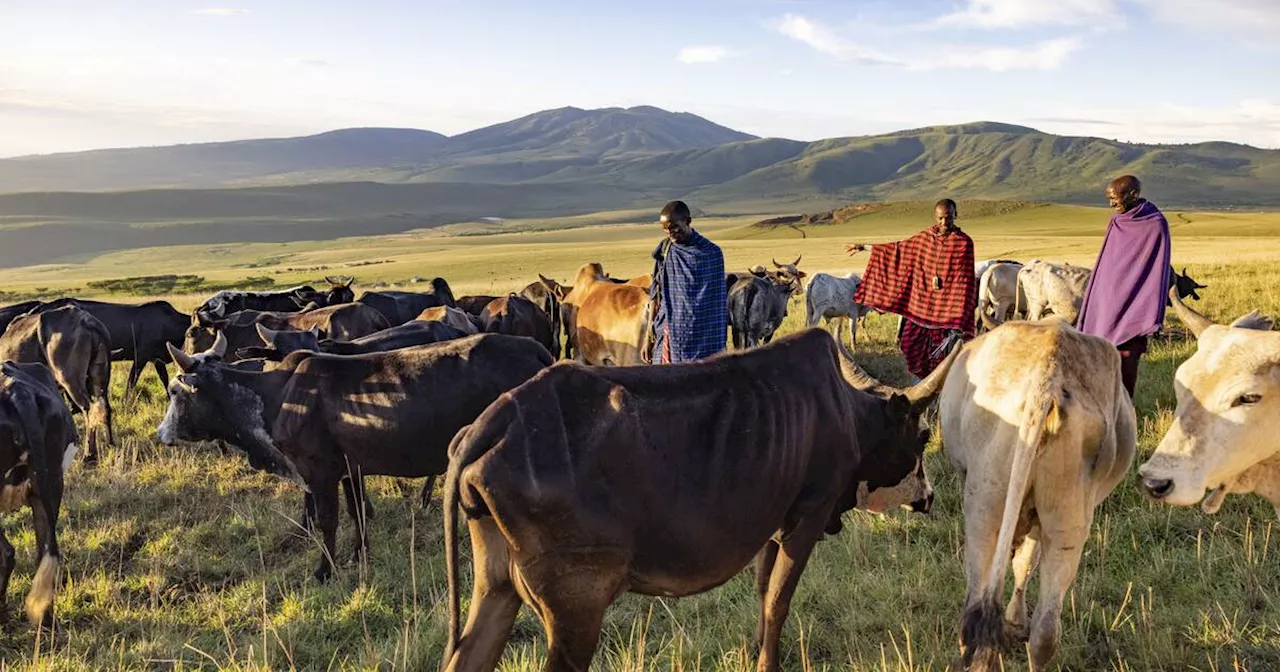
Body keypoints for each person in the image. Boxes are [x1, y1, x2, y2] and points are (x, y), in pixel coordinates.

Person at [845, 199, 975, 381]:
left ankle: (940, 396)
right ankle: (918, 392)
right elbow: (897, 250)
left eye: (948, 218)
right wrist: (865, 247)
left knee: (943, 360)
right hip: (921, 310)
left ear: (956, 215)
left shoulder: (964, 243)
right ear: (935, 217)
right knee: (909, 346)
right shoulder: (924, 239)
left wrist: (961, 318)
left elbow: (965, 283)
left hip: (947, 316)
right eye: (940, 218)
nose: (944, 223)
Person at [1076, 175, 1171, 399]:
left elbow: (1154, 268)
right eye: (1109, 199)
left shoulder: (1155, 223)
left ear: (1133, 195)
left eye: (1115, 199)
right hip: (1108, 299)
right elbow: (1105, 264)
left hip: (1135, 302)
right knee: (1098, 358)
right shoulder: (1116, 221)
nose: (1111, 204)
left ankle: (1126, 412)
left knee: (1127, 360)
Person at [646, 200, 727, 364]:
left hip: (706, 335)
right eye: (666, 229)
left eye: (674, 227)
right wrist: (649, 331)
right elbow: (656, 291)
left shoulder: (712, 253)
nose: (670, 233)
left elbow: (717, 302)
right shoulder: (665, 250)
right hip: (670, 332)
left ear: (688, 222)